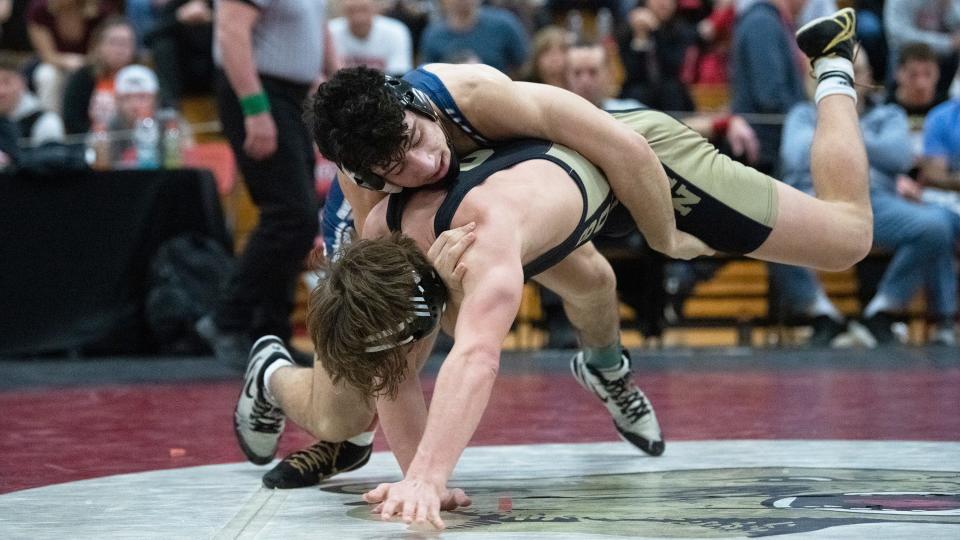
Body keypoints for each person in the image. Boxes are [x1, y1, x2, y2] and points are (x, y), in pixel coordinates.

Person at [237, 8, 873, 521]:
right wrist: (423, 476)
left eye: (416, 142)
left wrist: (667, 241)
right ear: (367, 173)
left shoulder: (472, 92)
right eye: (394, 169)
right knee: (353, 402)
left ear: (417, 108)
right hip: (512, 207)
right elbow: (416, 353)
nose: (422, 165)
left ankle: (834, 68)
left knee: (843, 241)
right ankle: (274, 375)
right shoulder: (378, 203)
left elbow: (622, 147)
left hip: (628, 163)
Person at [777, 49, 959, 346]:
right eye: (837, 74)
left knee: (936, 226)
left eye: (855, 72)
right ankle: (820, 314)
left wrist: (838, 131)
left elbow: (899, 155)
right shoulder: (802, 114)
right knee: (769, 222)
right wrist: (848, 129)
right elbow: (795, 155)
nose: (847, 80)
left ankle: (882, 312)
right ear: (818, 79)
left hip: (874, 202)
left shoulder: (888, 114)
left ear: (867, 79)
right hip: (813, 199)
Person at [195, 0, 339, 369]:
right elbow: (230, 31)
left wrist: (337, 84)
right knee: (291, 215)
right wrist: (255, 108)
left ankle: (270, 336)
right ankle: (228, 319)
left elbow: (317, 28)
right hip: (259, 93)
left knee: (298, 218)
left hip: (291, 95)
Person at [61, 16, 138, 135]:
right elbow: (72, 120)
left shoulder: (142, 76)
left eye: (125, 43)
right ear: (100, 46)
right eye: (114, 42)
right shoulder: (83, 77)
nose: (120, 50)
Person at [418, 0, 529, 77]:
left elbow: (524, 64)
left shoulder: (503, 24)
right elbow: (427, 75)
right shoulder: (433, 35)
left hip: (501, 94)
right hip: (451, 101)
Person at [329, 0, 413, 77]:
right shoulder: (331, 32)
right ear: (343, 12)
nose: (358, 18)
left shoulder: (396, 31)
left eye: (364, 10)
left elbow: (399, 74)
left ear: (375, 9)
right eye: (351, 11)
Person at [0, 52, 65, 146]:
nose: (1, 91)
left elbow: (50, 159)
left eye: (7, 82)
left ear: (23, 82)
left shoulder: (45, 122)